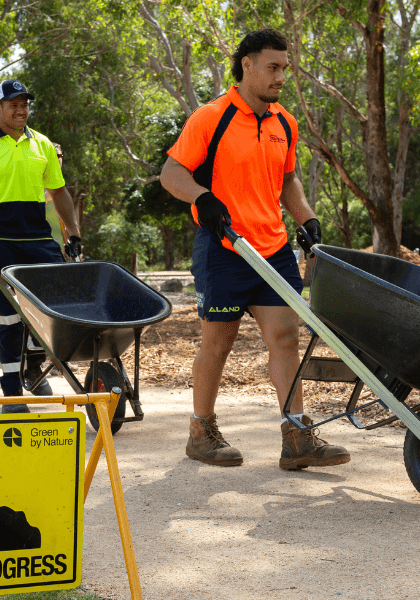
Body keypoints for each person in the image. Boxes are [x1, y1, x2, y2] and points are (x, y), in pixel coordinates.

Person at [159, 28, 349, 470]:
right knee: (218, 343)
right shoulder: (212, 117)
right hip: (225, 248)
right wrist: (201, 197)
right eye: (273, 67)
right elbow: (172, 174)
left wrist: (307, 220)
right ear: (247, 64)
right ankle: (200, 431)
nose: (281, 76)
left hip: (273, 247)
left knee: (285, 337)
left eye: (285, 68)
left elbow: (287, 180)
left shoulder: (285, 121)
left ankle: (297, 438)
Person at [0, 79, 83, 413]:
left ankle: (34, 366)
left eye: (24, 104)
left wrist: (74, 232)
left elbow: (59, 192)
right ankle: (12, 391)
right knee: (11, 315)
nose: (21, 109)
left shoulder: (42, 145)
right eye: (13, 104)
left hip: (39, 239)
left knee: (53, 308)